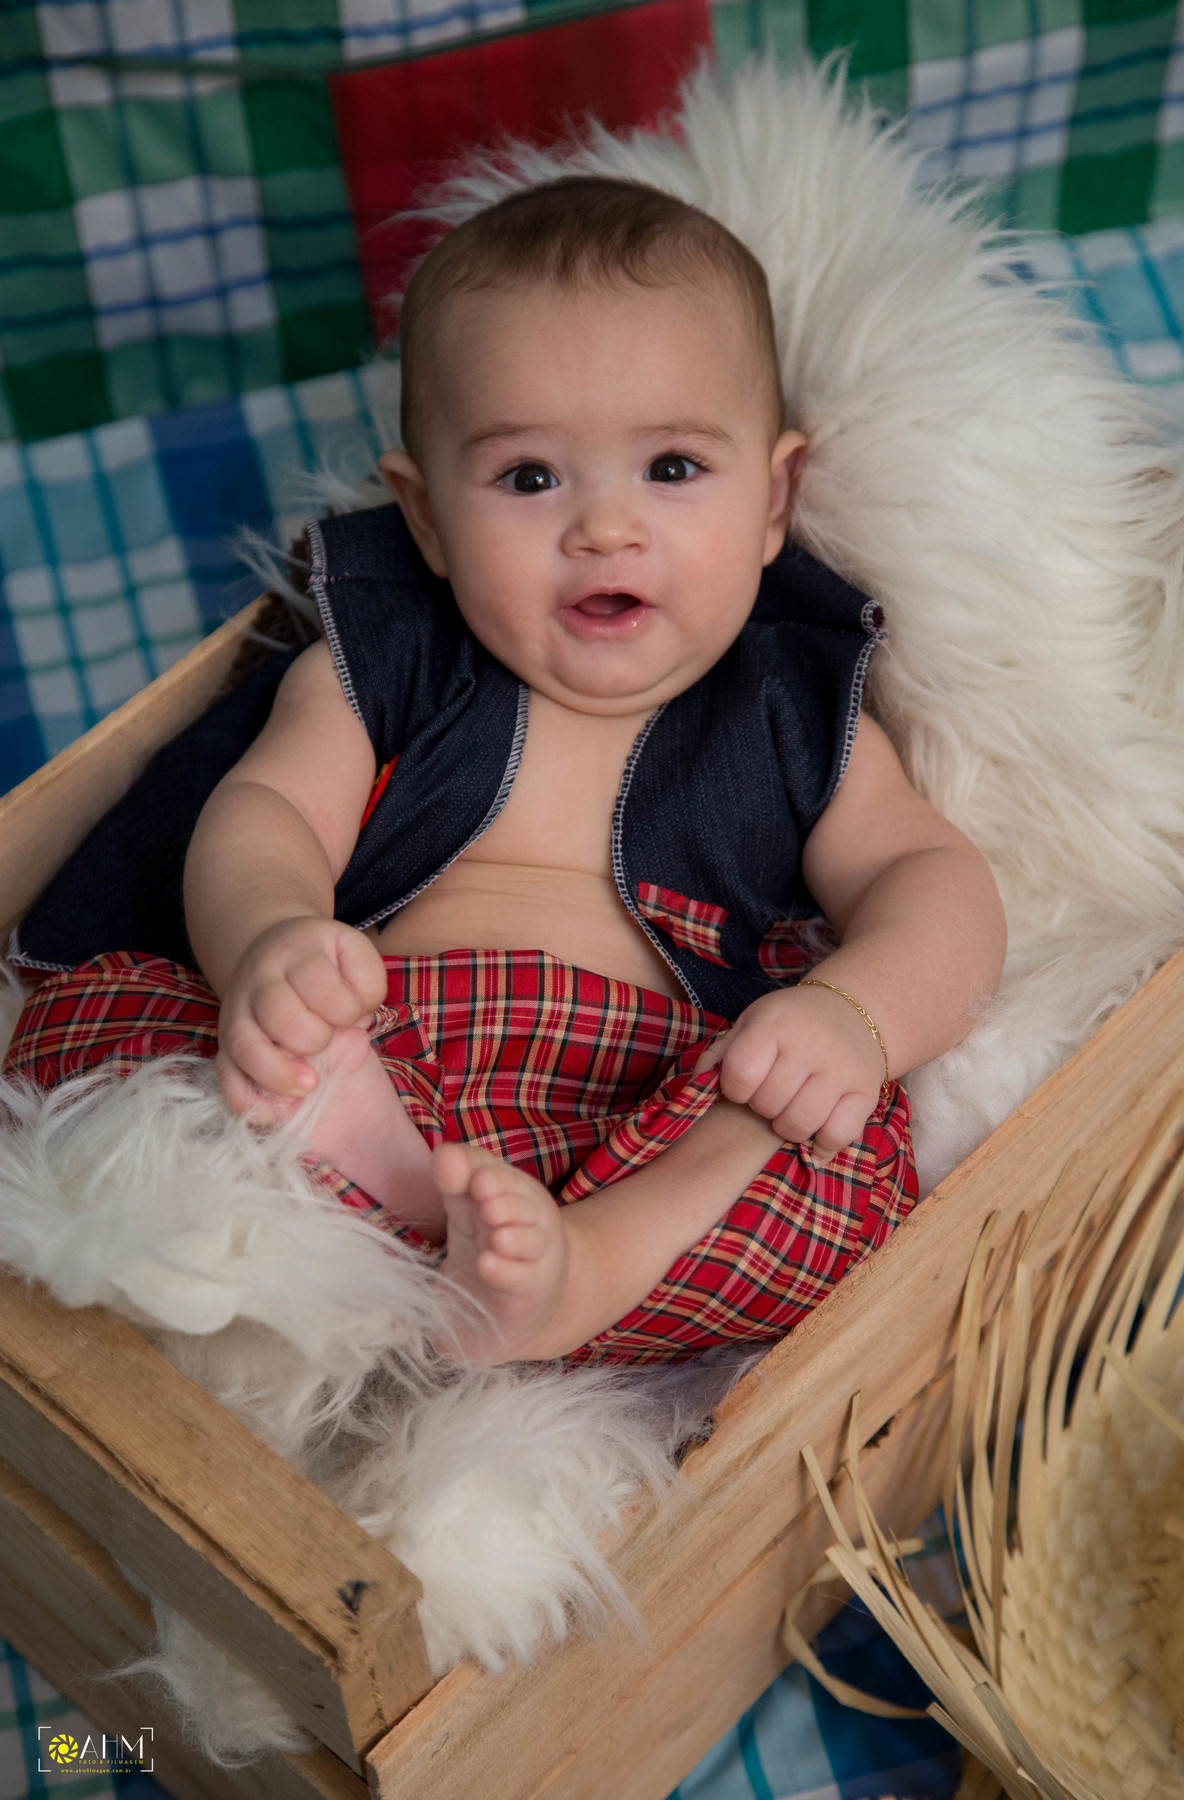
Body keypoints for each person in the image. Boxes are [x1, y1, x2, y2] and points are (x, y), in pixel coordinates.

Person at [4, 177, 1007, 1366]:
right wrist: (270, 944)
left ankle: (586, 1269)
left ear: (775, 496)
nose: (605, 528)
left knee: (832, 1138)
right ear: (426, 517)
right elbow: (268, 813)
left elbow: (929, 878)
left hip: (655, 1096)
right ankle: (392, 1178)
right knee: (93, 1025)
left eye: (673, 467)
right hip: (386, 1045)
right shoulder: (384, 663)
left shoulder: (792, 706)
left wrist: (854, 1015)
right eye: (530, 478)